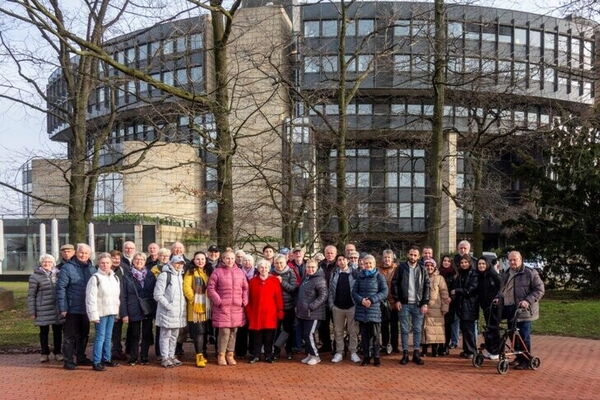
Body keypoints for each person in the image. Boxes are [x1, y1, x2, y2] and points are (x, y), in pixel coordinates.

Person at [493, 251, 545, 370]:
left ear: (521, 259)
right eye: (510, 260)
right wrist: (497, 298)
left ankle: (526, 360)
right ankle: (518, 357)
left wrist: (528, 300)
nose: (512, 262)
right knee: (513, 335)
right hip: (509, 308)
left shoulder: (530, 273)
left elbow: (540, 289)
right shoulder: (506, 273)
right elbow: (502, 290)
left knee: (523, 336)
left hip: (523, 310)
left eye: (515, 260)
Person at [56, 243, 96, 370]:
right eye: (81, 252)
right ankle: (68, 360)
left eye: (86, 253)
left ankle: (81, 357)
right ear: (76, 253)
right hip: (72, 308)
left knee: (84, 335)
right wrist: (63, 308)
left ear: (89, 254)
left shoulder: (92, 269)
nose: (83, 255)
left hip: (86, 308)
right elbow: (61, 288)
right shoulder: (67, 268)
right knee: (70, 336)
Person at [207, 250, 249, 366]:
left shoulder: (240, 272)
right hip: (223, 307)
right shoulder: (217, 272)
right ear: (223, 259)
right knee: (224, 332)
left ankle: (230, 354)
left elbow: (245, 288)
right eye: (227, 258)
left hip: (237, 307)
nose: (230, 260)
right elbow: (210, 288)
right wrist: (218, 301)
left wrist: (244, 300)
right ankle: (221, 354)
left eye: (232, 258)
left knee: (233, 332)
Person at [392, 246, 430, 365]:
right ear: (407, 254)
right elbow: (394, 283)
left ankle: (416, 353)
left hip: (418, 304)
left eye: (415, 255)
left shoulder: (422, 269)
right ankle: (405, 353)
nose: (413, 257)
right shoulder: (401, 268)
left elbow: (427, 286)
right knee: (404, 329)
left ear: (418, 256)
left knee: (417, 329)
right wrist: (397, 300)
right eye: (411, 254)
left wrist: (425, 303)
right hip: (404, 304)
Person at [85, 253, 121, 371]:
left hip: (111, 312)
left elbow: (116, 297)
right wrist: (93, 315)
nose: (105, 265)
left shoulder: (115, 277)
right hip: (100, 313)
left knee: (108, 337)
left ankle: (107, 358)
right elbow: (90, 298)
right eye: (102, 263)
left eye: (107, 263)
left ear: (111, 264)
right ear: (98, 264)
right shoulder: (95, 278)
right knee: (100, 337)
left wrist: (117, 311)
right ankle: (96, 361)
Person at [121, 252, 157, 365]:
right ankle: (133, 357)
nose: (139, 261)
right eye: (137, 259)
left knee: (147, 333)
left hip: (147, 308)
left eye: (142, 259)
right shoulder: (127, 276)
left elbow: (154, 293)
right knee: (134, 334)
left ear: (145, 262)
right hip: (133, 308)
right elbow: (123, 295)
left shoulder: (150, 275)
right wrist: (124, 313)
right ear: (133, 261)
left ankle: (144, 356)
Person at [352, 254, 388, 367]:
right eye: (366, 263)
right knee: (364, 336)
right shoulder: (360, 276)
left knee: (376, 336)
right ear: (363, 264)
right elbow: (354, 292)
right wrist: (361, 300)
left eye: (370, 263)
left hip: (374, 311)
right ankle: (366, 357)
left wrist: (371, 300)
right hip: (362, 310)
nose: (368, 265)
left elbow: (384, 292)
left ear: (374, 264)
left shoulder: (379, 276)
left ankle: (376, 357)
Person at [246, 259, 284, 363]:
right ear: (258, 269)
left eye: (266, 267)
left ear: (269, 269)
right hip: (256, 313)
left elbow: (278, 297)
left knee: (269, 336)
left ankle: (268, 355)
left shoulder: (274, 280)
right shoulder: (252, 281)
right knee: (257, 336)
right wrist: (248, 311)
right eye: (261, 267)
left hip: (270, 313)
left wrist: (280, 310)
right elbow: (249, 298)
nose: (264, 269)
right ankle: (256, 355)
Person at [27, 254, 63, 362]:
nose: (47, 264)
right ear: (41, 263)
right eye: (44, 262)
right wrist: (32, 311)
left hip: (57, 308)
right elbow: (31, 295)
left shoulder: (59, 274)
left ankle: (57, 352)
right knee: (44, 332)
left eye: (49, 262)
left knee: (58, 331)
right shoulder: (35, 276)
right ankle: (44, 353)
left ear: (53, 263)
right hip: (42, 308)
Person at [153, 255, 186, 368]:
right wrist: (168, 306)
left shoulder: (180, 276)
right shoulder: (164, 275)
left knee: (174, 336)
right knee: (165, 335)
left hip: (178, 313)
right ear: (171, 263)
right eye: (177, 263)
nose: (179, 265)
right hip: (167, 312)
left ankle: (171, 355)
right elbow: (157, 295)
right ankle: (165, 357)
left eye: (181, 263)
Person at [328, 254, 360, 364]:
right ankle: (339, 352)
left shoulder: (354, 273)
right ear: (337, 262)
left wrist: (357, 304)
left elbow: (358, 289)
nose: (341, 262)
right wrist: (332, 305)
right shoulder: (334, 274)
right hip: (337, 307)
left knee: (353, 331)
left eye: (343, 259)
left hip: (352, 306)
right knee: (338, 331)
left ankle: (353, 352)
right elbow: (330, 291)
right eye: (339, 260)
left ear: (347, 261)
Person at [183, 251, 212, 368]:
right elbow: (186, 287)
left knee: (204, 331)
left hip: (207, 307)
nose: (200, 261)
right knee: (198, 332)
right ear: (194, 260)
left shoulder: (208, 272)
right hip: (194, 308)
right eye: (198, 259)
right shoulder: (190, 272)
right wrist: (194, 300)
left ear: (206, 260)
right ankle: (199, 356)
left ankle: (203, 353)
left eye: (202, 259)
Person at [296, 259, 327, 366]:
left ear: (317, 268)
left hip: (314, 313)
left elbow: (323, 296)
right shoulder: (306, 278)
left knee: (309, 334)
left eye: (313, 267)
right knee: (306, 335)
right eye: (308, 267)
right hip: (303, 312)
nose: (310, 269)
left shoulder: (320, 279)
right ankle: (310, 354)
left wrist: (311, 306)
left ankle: (315, 356)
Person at [452, 254, 479, 359]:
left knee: (469, 330)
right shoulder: (460, 274)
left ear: (469, 263)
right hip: (461, 305)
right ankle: (467, 350)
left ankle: (472, 351)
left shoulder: (474, 274)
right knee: (464, 329)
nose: (463, 264)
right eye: (462, 262)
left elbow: (470, 290)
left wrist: (457, 290)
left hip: (470, 306)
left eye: (466, 262)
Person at [421, 259, 450, 357]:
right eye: (427, 265)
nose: (429, 267)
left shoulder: (439, 278)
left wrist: (445, 307)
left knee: (436, 330)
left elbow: (444, 293)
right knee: (424, 329)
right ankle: (424, 350)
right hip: (424, 307)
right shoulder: (421, 276)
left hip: (436, 308)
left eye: (431, 266)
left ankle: (435, 350)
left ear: (434, 267)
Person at [272, 255, 298, 360]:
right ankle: (276, 351)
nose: (279, 265)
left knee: (288, 330)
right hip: (275, 307)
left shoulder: (291, 273)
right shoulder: (271, 273)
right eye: (277, 263)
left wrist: (281, 282)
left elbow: (293, 288)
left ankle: (289, 350)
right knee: (276, 330)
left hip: (288, 306)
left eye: (281, 263)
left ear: (285, 263)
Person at [476, 256, 501, 359]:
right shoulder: (480, 276)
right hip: (486, 307)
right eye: (479, 264)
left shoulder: (494, 275)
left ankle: (496, 351)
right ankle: (490, 350)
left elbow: (502, 289)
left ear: (487, 265)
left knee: (494, 328)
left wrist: (497, 298)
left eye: (483, 264)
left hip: (495, 307)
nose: (481, 266)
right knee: (489, 329)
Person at [149, 247, 171, 360]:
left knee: (169, 327)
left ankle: (170, 352)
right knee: (159, 327)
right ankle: (159, 352)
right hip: (157, 300)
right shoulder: (154, 269)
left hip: (170, 301)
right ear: (158, 257)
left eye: (166, 256)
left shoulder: (172, 268)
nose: (164, 258)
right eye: (162, 255)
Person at [317, 245, 337, 354]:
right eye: (327, 253)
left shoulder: (338, 264)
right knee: (323, 325)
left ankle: (337, 346)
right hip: (322, 299)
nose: (329, 255)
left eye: (332, 253)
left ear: (335, 254)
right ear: (324, 253)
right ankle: (326, 345)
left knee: (336, 324)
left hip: (335, 299)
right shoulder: (319, 265)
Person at [378, 249, 399, 355]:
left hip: (394, 301)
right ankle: (385, 344)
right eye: (385, 257)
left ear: (392, 258)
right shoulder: (378, 269)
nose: (387, 259)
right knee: (384, 325)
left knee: (394, 325)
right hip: (382, 302)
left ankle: (395, 345)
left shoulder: (397, 269)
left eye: (389, 257)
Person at [109, 250, 128, 361]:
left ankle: (117, 350)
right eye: (113, 258)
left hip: (120, 303)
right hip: (107, 304)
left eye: (118, 258)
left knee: (117, 329)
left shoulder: (123, 269)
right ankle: (107, 353)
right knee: (107, 330)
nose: (116, 260)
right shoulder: (104, 269)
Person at [438, 255, 457, 355]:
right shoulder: (438, 273)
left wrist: (451, 298)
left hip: (449, 303)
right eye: (444, 260)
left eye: (448, 261)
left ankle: (446, 346)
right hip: (438, 303)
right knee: (439, 325)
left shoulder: (454, 275)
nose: (446, 262)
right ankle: (440, 345)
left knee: (447, 325)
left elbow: (455, 289)